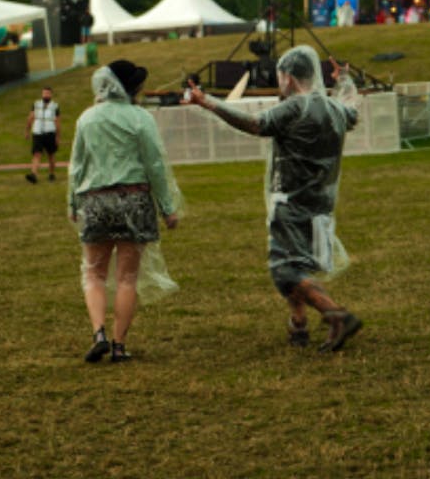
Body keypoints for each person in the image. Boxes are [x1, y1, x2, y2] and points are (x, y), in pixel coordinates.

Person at [186, 45, 362, 352]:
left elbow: (255, 123)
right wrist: (345, 79)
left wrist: (208, 102)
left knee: (284, 270)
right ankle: (299, 323)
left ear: (289, 78)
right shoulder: (334, 109)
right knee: (297, 264)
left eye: (281, 76)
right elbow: (352, 109)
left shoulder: (295, 108)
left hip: (291, 201)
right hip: (320, 202)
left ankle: (336, 314)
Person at [69, 60, 181, 363]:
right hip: (134, 200)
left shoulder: (87, 119)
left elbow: (77, 165)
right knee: (127, 278)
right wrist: (167, 207)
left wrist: (72, 203)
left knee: (93, 273)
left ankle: (98, 333)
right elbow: (155, 165)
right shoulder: (140, 118)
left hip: (95, 201)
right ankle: (119, 344)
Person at [25, 86, 61, 183]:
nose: (46, 95)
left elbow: (57, 122)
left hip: (50, 133)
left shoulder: (55, 106)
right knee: (36, 154)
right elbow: (31, 117)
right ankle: (33, 174)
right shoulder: (36, 104)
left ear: (51, 95)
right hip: (37, 132)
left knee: (51, 154)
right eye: (44, 93)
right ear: (42, 94)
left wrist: (58, 136)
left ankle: (51, 174)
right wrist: (27, 130)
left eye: (48, 93)